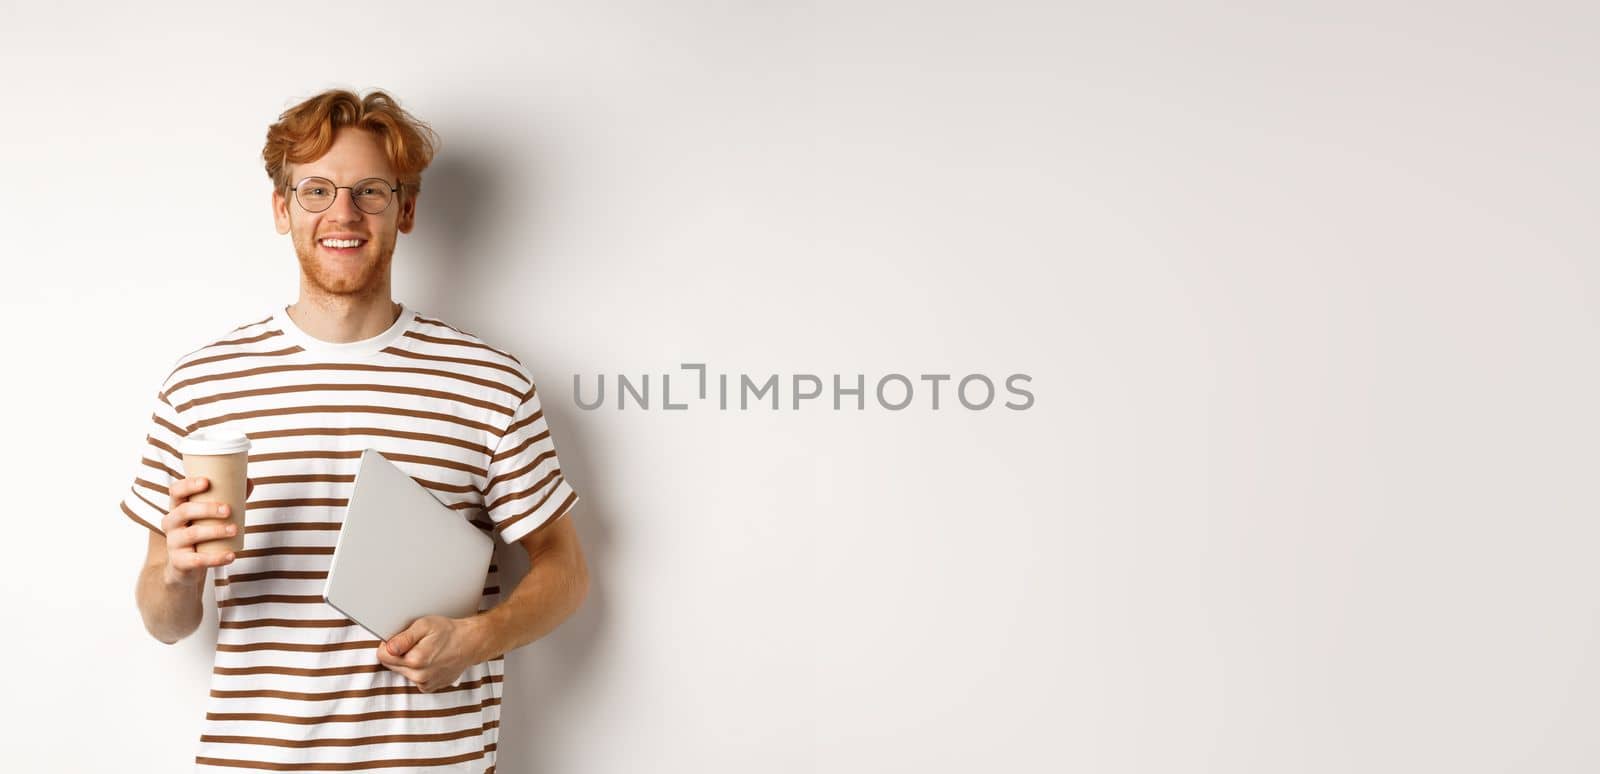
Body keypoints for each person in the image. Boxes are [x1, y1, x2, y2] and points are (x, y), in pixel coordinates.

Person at [122, 88, 590, 772]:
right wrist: (179, 573)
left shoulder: (488, 381)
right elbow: (163, 622)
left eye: (370, 191)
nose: (343, 213)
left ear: (405, 209)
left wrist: (476, 638)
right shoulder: (202, 384)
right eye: (316, 190)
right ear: (282, 209)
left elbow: (567, 570)